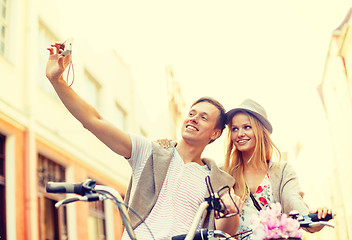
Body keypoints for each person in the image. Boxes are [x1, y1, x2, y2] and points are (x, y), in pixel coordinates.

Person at [45, 42, 243, 239]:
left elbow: (225, 232)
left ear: (215, 133)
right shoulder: (149, 153)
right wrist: (57, 81)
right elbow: (94, 121)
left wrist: (231, 210)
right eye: (191, 113)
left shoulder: (215, 179)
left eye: (203, 117)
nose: (193, 118)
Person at [224, 98, 333, 237]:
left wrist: (315, 216)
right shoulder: (224, 173)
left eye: (247, 127)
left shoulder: (282, 171)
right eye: (234, 129)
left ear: (260, 130)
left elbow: (293, 201)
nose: (239, 134)